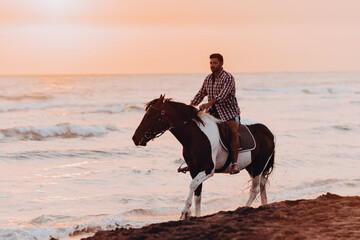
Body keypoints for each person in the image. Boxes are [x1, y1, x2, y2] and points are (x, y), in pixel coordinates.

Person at [190, 53, 241, 174]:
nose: (212, 65)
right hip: (213, 112)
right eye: (211, 63)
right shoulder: (207, 78)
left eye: (215, 63)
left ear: (221, 63)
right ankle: (196, 161)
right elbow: (200, 94)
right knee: (198, 130)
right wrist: (190, 107)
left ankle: (234, 164)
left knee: (233, 132)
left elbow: (222, 96)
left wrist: (208, 104)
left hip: (229, 112)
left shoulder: (228, 78)